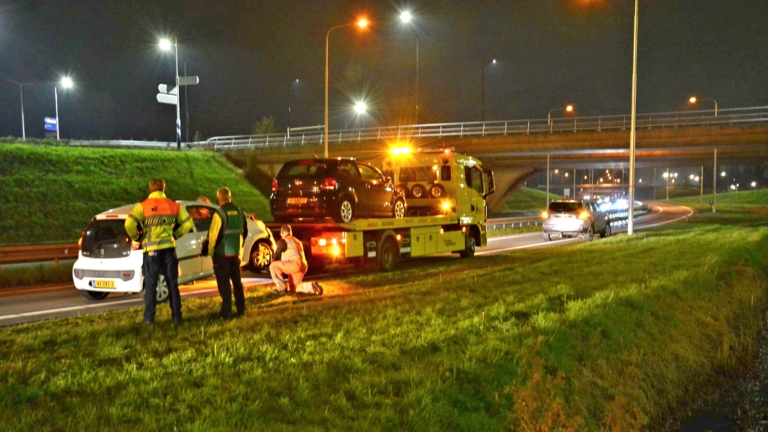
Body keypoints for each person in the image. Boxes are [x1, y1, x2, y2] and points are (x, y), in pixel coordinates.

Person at [125, 178, 194, 325]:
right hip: (169, 250)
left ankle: (149, 319)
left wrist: (138, 237)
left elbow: (128, 224)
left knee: (150, 285)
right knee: (172, 284)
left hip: (151, 251)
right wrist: (175, 234)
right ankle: (177, 317)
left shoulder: (142, 206)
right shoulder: (173, 205)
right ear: (164, 189)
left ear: (150, 189)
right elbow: (188, 223)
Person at [207, 187, 248, 319]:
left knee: (224, 284)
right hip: (235, 253)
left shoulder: (219, 214)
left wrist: (210, 252)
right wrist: (239, 245)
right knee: (237, 282)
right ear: (230, 197)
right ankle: (241, 309)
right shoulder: (240, 211)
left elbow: (213, 236)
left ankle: (226, 312)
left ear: (219, 198)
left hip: (222, 254)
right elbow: (245, 231)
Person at [269, 225, 323, 295]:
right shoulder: (297, 241)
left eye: (280, 233)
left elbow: (276, 257)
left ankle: (282, 289)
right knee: (294, 288)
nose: (280, 235)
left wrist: (271, 260)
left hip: (294, 265)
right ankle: (312, 286)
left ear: (282, 232)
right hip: (303, 266)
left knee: (273, 266)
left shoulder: (283, 241)